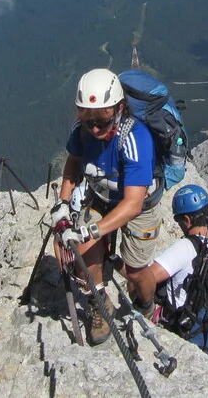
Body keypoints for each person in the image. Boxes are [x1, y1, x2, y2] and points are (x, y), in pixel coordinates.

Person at [50, 68, 163, 346]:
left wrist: (90, 231)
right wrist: (63, 205)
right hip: (101, 196)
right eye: (89, 122)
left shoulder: (135, 138)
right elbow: (74, 162)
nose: (96, 129)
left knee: (136, 270)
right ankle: (100, 305)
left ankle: (146, 303)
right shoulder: (83, 132)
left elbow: (133, 203)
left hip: (139, 207)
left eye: (102, 120)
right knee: (85, 259)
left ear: (119, 108)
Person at [137, 184, 208, 366]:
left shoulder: (185, 247)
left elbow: (146, 278)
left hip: (186, 329)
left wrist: (119, 265)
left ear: (187, 220)